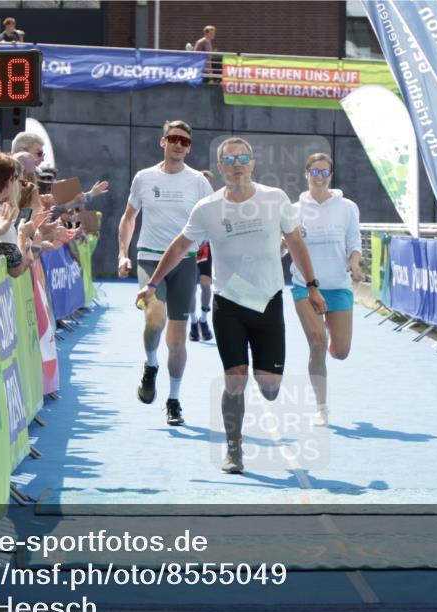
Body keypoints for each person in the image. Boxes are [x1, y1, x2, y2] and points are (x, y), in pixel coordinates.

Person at [135, 137, 326, 474]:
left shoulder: (275, 199)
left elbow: (295, 242)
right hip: (229, 302)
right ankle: (234, 448)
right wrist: (152, 283)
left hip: (267, 302)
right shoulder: (207, 208)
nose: (237, 164)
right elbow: (180, 247)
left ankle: (264, 381)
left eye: (243, 158)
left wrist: (311, 286)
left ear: (252, 164)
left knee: (269, 388)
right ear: (221, 167)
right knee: (235, 378)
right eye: (230, 159)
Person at [118, 120, 213, 426]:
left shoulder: (198, 181)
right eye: (173, 138)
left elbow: (216, 217)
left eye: (184, 141)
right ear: (163, 142)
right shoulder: (144, 178)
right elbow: (129, 218)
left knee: (177, 340)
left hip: (184, 263)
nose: (178, 144)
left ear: (189, 147)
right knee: (154, 319)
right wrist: (122, 254)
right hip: (149, 259)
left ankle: (173, 400)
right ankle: (150, 364)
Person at [290, 153, 361, 427]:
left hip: (338, 287)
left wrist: (354, 263)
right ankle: (321, 407)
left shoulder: (348, 207)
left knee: (340, 351)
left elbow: (354, 242)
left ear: (330, 176)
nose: (319, 177)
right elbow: (286, 244)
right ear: (306, 174)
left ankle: (330, 331)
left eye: (324, 172)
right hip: (305, 288)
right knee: (317, 343)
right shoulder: (293, 210)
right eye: (314, 172)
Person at [189, 169, 215, 342]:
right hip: (188, 248)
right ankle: (193, 322)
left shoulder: (213, 202)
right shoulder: (187, 200)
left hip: (206, 248)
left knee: (206, 284)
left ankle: (204, 320)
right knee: (189, 287)